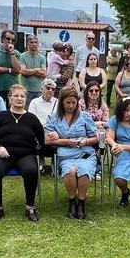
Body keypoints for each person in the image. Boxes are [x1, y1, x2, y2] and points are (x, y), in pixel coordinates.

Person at [0, 85, 44, 222]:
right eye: (16, 96)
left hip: (25, 155)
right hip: (4, 154)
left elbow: (41, 138)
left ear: (26, 99)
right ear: (9, 98)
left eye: (22, 96)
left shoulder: (31, 118)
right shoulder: (1, 116)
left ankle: (30, 207)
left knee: (31, 170)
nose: (19, 98)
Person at [45, 86, 100, 219]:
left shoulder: (84, 116)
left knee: (83, 170)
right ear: (61, 102)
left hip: (84, 152)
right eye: (67, 103)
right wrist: (66, 141)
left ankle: (81, 202)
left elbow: (96, 138)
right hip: (65, 154)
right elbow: (46, 140)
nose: (71, 106)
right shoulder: (53, 118)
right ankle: (71, 201)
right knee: (71, 171)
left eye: (73, 103)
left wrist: (85, 141)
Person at [0, 29, 19, 104]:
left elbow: (17, 70)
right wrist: (10, 70)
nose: (10, 41)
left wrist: (12, 53)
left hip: (13, 88)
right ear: (3, 39)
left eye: (13, 40)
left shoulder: (17, 53)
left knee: (12, 111)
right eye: (8, 39)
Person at [15, 34, 47, 100]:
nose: (34, 44)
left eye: (35, 42)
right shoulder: (22, 56)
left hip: (39, 90)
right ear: (27, 44)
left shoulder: (42, 57)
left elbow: (44, 74)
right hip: (26, 90)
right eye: (31, 42)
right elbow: (23, 71)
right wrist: (37, 70)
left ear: (38, 44)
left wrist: (29, 72)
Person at [105, 42, 128, 107]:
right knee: (108, 92)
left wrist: (114, 62)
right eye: (112, 51)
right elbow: (109, 62)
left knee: (117, 91)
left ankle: (118, 103)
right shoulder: (108, 57)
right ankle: (108, 103)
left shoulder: (119, 57)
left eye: (115, 51)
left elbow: (118, 62)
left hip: (117, 77)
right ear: (110, 51)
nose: (114, 52)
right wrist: (115, 62)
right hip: (109, 77)